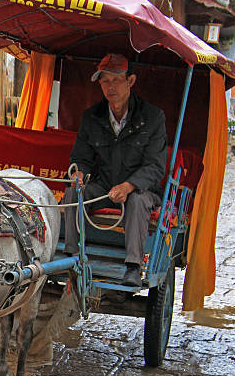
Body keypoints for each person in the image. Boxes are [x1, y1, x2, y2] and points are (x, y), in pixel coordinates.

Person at [63, 53, 168, 287]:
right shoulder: (92, 117)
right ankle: (71, 258)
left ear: (130, 81)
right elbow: (82, 158)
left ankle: (133, 266)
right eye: (105, 81)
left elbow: (155, 166)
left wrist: (129, 186)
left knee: (138, 201)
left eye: (116, 80)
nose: (110, 87)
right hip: (104, 187)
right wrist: (78, 174)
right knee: (72, 195)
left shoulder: (152, 117)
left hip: (141, 190)